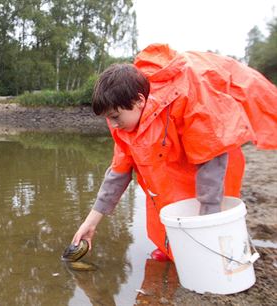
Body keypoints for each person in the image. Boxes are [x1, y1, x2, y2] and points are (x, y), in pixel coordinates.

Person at [72, 43, 277, 261]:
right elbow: (118, 173)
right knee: (164, 197)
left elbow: (211, 155)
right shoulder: (123, 122)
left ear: (139, 101)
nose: (112, 125)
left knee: (211, 204)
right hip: (167, 156)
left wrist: (207, 222)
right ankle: (173, 248)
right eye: (109, 118)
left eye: (115, 117)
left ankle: (217, 250)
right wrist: (91, 221)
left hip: (214, 150)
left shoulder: (187, 94)